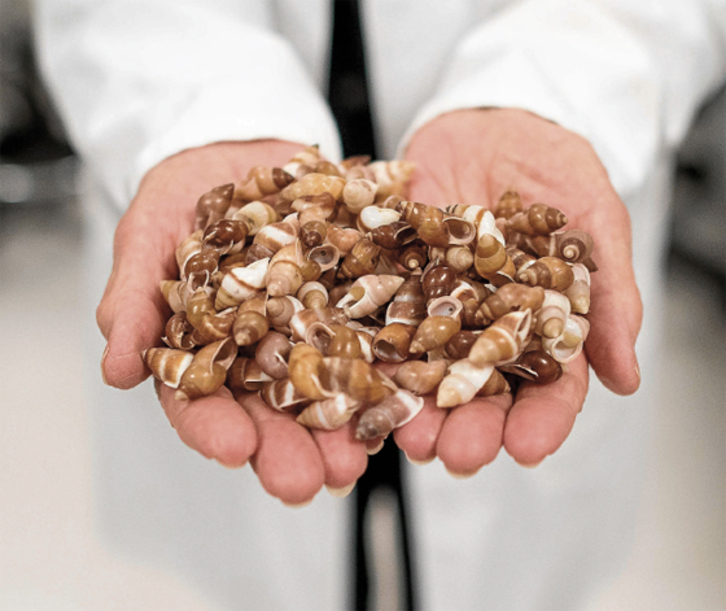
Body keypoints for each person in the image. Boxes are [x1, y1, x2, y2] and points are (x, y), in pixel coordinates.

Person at [33, 0, 726, 609]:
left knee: (503, 570)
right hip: (209, 102)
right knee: (272, 559)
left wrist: (551, 91)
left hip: (536, 90)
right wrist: (200, 110)